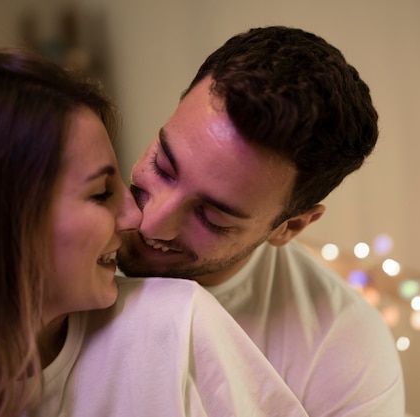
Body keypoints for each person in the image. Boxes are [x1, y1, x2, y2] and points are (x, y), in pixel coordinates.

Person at [0, 48, 311, 417]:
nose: (135, 218)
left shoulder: (177, 327)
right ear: (3, 221)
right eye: (102, 193)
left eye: (215, 215)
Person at [117, 26, 405, 416]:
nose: (152, 224)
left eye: (212, 216)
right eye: (163, 166)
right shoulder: (49, 234)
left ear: (290, 227)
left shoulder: (344, 350)